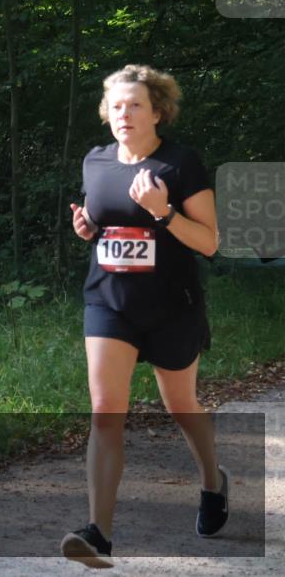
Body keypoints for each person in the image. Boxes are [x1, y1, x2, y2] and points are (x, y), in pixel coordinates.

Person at [61, 65, 226, 568]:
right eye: (116, 106)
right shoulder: (96, 162)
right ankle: (99, 535)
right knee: (105, 409)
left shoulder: (180, 165)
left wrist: (164, 212)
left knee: (181, 407)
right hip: (109, 302)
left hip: (171, 307)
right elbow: (103, 223)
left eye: (134, 105)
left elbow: (210, 242)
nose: (123, 114)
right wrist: (87, 229)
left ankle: (213, 482)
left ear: (157, 111)